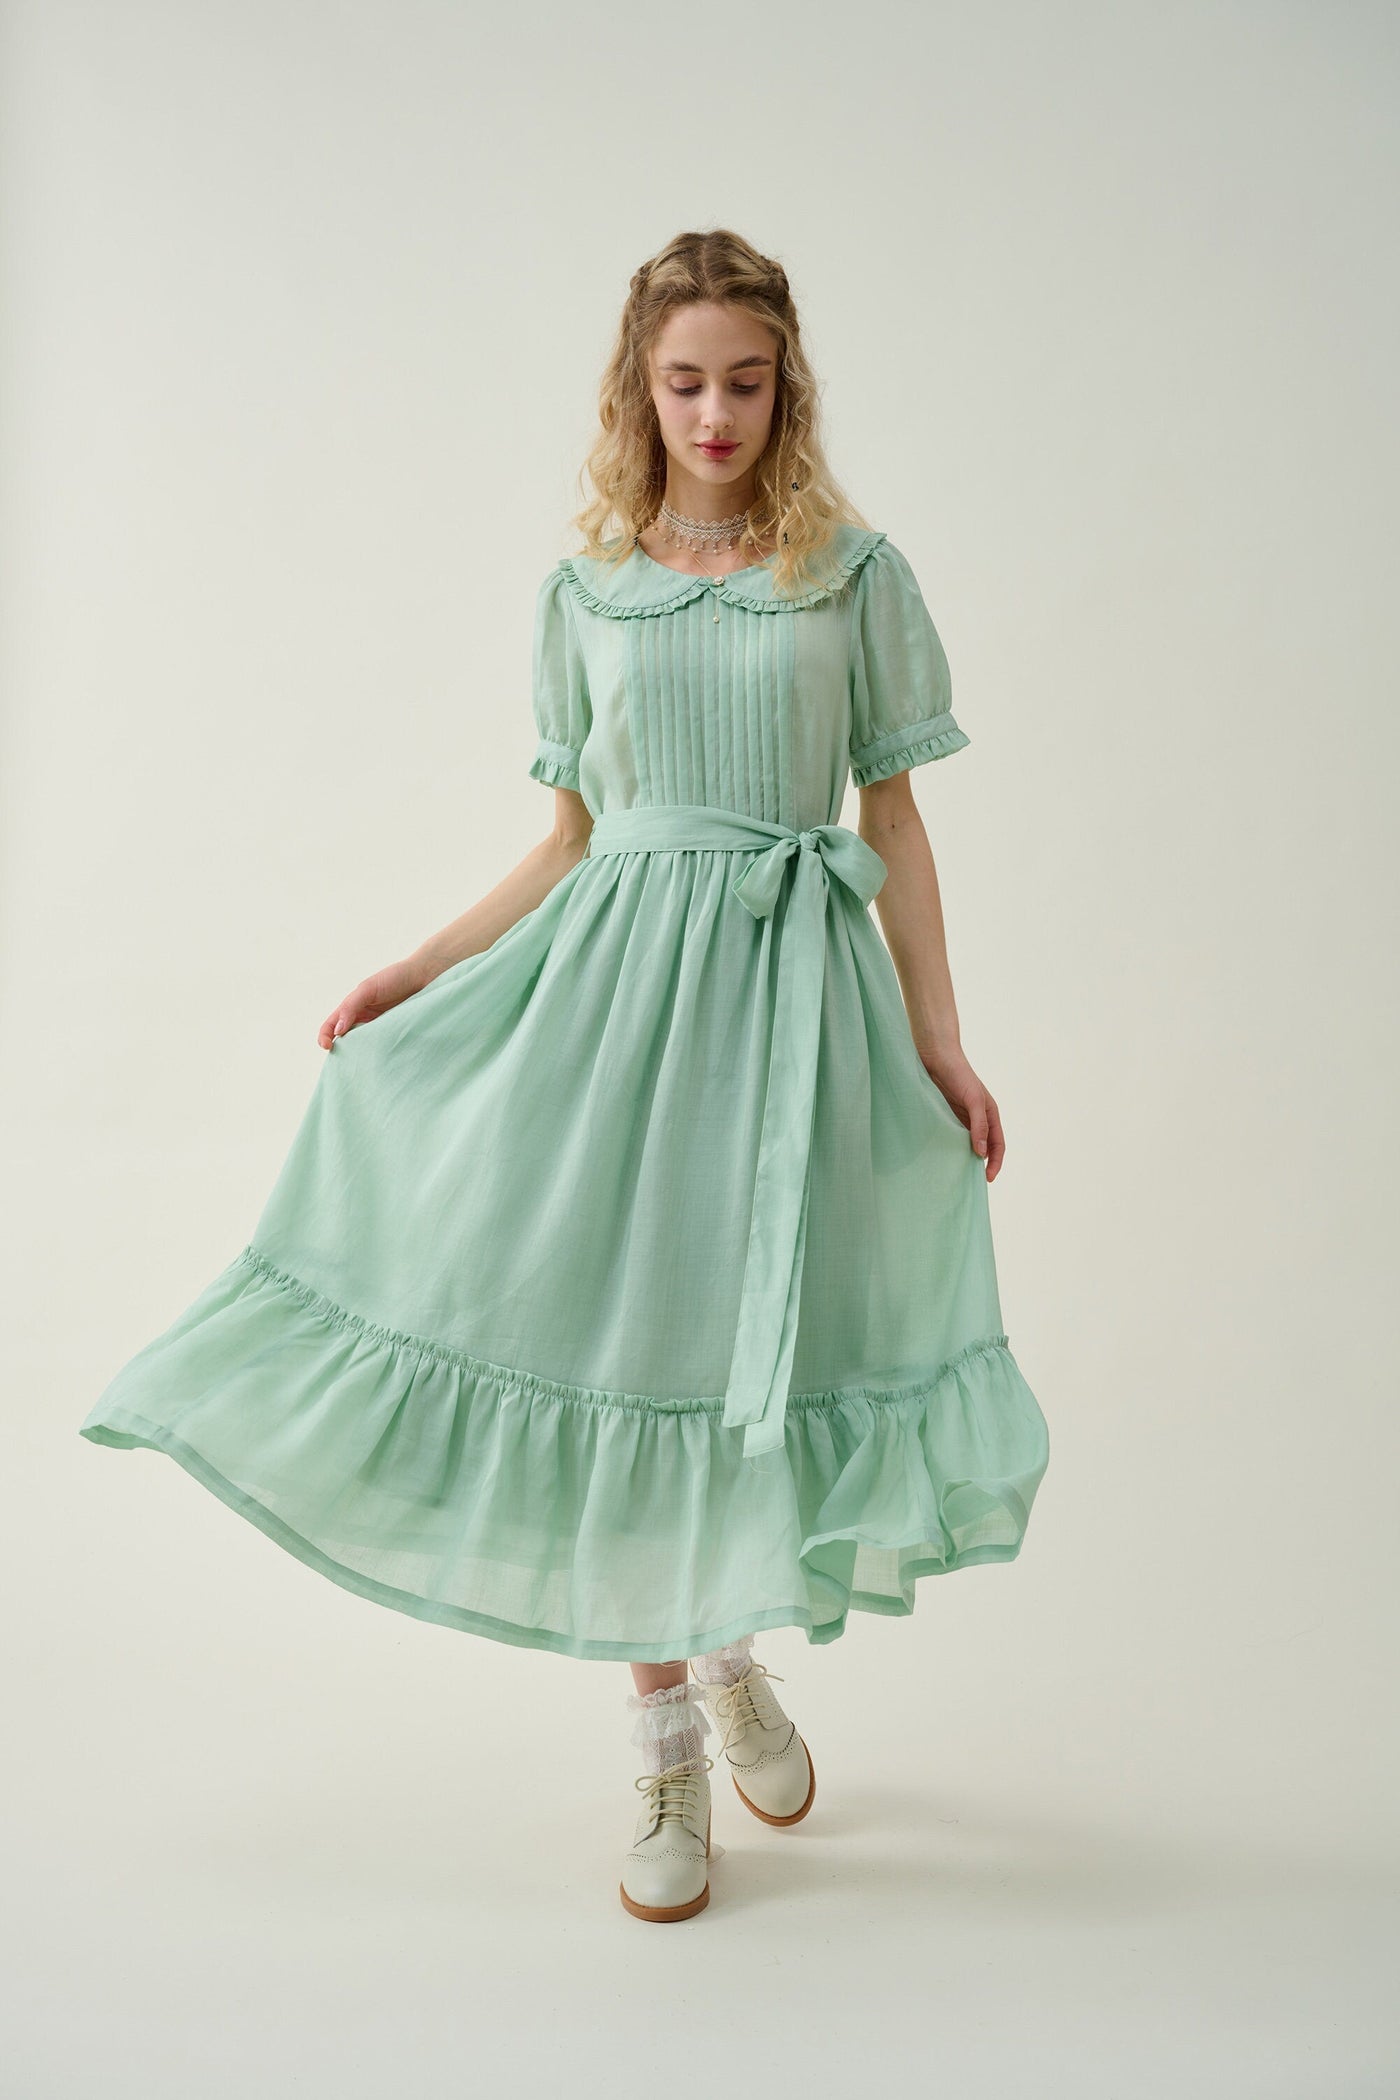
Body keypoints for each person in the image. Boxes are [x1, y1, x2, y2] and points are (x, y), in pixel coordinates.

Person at [79, 226, 1050, 1924]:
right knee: (628, 1344)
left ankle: (727, 1655)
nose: (715, 413)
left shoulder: (852, 573)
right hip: (614, 1009)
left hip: (792, 1011)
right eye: (684, 383)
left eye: (745, 382)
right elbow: (572, 841)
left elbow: (891, 821)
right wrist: (419, 968)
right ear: (638, 390)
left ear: (787, 387)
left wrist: (940, 1037)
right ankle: (669, 1740)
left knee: (746, 1358)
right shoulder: (585, 588)